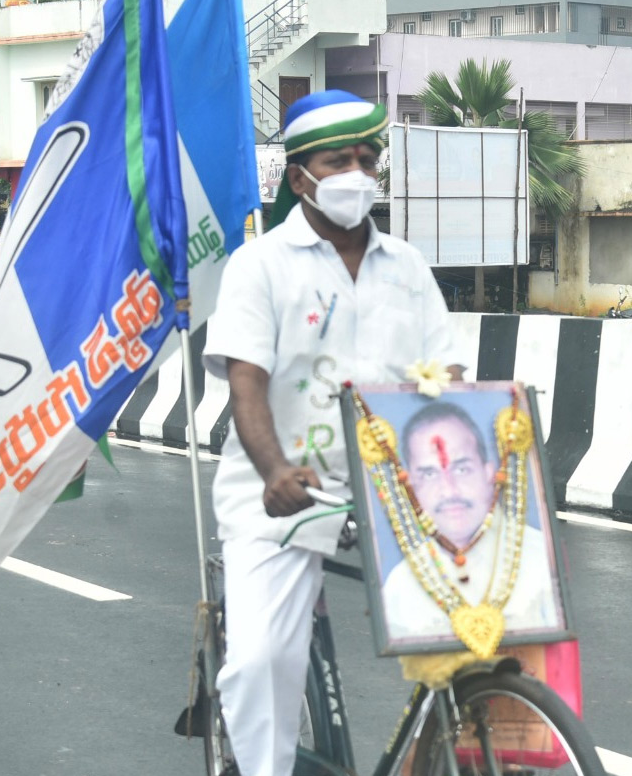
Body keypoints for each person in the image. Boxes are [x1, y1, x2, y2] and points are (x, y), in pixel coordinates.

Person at [200, 90, 463, 776]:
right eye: (338, 160)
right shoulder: (260, 265)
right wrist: (274, 471)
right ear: (298, 177)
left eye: (366, 158)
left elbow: (452, 373)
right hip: (285, 496)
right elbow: (246, 381)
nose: (356, 172)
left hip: (396, 495)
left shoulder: (407, 267)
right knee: (262, 661)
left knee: (485, 631)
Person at [381, 401, 558, 641]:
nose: (449, 490)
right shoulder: (400, 586)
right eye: (430, 474)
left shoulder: (541, 559)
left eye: (462, 469)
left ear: (489, 474)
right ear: (412, 487)